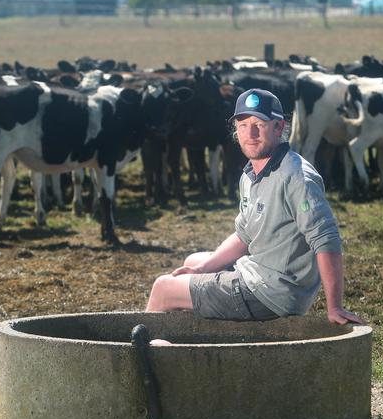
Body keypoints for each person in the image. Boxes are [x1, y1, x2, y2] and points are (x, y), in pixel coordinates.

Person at [145, 88, 363, 326]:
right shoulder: (251, 173)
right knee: (193, 261)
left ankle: (145, 357)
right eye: (243, 125)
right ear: (235, 131)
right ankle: (192, 342)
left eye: (260, 124)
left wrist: (334, 307)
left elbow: (326, 239)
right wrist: (200, 271)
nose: (251, 133)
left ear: (279, 128)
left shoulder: (297, 177)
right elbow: (244, 235)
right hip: (258, 274)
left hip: (272, 293)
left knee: (163, 288)